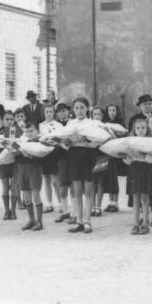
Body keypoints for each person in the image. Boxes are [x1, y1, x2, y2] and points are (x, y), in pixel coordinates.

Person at [66, 97, 96, 233]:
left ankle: (87, 221)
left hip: (88, 156)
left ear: (87, 108)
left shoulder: (92, 123)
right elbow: (65, 142)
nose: (79, 110)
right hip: (74, 156)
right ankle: (79, 221)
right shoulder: (70, 123)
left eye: (82, 107)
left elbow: (98, 141)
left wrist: (86, 141)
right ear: (73, 109)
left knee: (88, 190)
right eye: (76, 108)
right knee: (77, 190)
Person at [7, 125, 45, 231]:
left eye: (31, 131)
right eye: (27, 131)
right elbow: (16, 156)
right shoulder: (21, 141)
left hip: (34, 169)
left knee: (36, 195)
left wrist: (31, 156)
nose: (29, 133)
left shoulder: (40, 143)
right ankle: (31, 220)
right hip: (22, 169)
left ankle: (39, 222)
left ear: (37, 131)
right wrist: (16, 152)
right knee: (26, 197)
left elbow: (43, 156)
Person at [126, 117, 152, 235]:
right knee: (135, 198)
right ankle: (135, 224)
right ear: (134, 129)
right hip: (134, 170)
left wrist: (143, 156)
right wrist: (126, 156)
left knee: (145, 198)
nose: (141, 130)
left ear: (147, 128)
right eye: (138, 128)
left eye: (143, 128)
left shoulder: (151, 141)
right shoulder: (130, 141)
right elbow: (127, 161)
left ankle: (145, 223)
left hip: (146, 170)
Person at [0, 110, 21, 220]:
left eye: (11, 119)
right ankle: (6, 211)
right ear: (2, 121)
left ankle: (14, 211)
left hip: (15, 162)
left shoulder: (18, 131)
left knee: (14, 186)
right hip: (4, 163)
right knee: (5, 186)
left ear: (14, 120)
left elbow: (21, 145)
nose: (9, 121)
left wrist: (13, 146)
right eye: (7, 119)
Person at [39, 104, 62, 214]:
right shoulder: (40, 125)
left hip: (54, 153)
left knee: (55, 180)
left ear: (54, 113)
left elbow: (61, 138)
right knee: (46, 179)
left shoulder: (58, 125)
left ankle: (61, 203)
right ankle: (49, 204)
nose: (48, 114)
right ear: (43, 113)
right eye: (46, 111)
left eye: (50, 112)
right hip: (44, 153)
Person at [103, 103, 125, 212]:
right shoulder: (104, 124)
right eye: (110, 110)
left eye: (114, 110)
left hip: (116, 154)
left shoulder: (120, 124)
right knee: (109, 177)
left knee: (114, 178)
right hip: (108, 153)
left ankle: (115, 202)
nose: (112, 113)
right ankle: (110, 202)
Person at [53, 103, 73, 223]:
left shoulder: (72, 124)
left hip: (71, 157)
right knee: (62, 185)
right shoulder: (55, 126)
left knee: (73, 186)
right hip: (60, 158)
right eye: (60, 111)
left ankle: (74, 213)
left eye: (64, 111)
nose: (62, 113)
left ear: (68, 112)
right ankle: (65, 211)